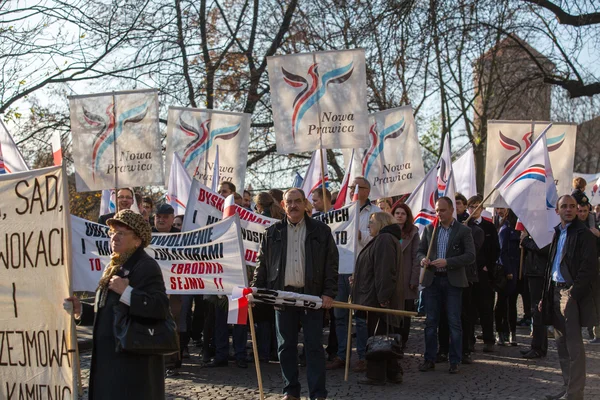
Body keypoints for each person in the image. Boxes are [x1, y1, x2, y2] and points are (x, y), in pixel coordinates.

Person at [64, 210, 169, 399]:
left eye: (121, 233)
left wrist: (128, 292)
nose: (114, 237)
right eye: (112, 232)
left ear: (137, 240)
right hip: (110, 358)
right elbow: (108, 309)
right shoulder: (114, 266)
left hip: (132, 364)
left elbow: (160, 307)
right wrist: (83, 310)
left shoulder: (145, 266)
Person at [252, 188, 338, 400]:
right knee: (285, 347)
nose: (293, 206)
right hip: (283, 297)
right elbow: (262, 263)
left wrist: (328, 292)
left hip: (312, 297)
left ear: (305, 203)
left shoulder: (321, 231)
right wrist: (256, 290)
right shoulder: (272, 233)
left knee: (314, 348)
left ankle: (318, 393)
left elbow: (331, 264)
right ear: (283, 205)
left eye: (297, 201)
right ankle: (290, 391)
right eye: (289, 202)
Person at [540, 195, 599, 400]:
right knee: (561, 345)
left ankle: (575, 394)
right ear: (557, 211)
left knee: (574, 346)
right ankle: (568, 389)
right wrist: (545, 296)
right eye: (564, 206)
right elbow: (552, 267)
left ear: (578, 209)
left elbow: (589, 269)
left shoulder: (584, 234)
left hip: (570, 294)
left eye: (572, 206)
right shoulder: (558, 232)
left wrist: (573, 293)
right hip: (555, 292)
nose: (568, 209)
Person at [417, 197, 475, 374]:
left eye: (442, 210)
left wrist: (448, 262)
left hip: (452, 281)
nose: (438, 214)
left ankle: (455, 360)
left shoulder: (463, 231)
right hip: (432, 280)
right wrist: (423, 260)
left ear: (451, 211)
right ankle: (429, 359)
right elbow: (420, 250)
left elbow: (470, 256)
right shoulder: (429, 229)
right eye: (436, 210)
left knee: (454, 322)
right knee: (430, 322)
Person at [329, 177, 380, 372]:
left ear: (368, 191)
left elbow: (379, 239)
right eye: (352, 187)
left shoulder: (376, 213)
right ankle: (342, 356)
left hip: (362, 270)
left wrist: (360, 236)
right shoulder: (341, 212)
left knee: (360, 317)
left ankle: (363, 357)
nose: (354, 190)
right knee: (339, 315)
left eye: (358, 187)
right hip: (341, 269)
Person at [352, 212, 404, 385]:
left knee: (378, 336)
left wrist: (383, 297)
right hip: (379, 296)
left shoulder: (384, 239)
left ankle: (376, 375)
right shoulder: (386, 239)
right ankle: (392, 372)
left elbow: (385, 270)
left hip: (379, 298)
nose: (368, 226)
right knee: (384, 335)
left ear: (381, 223)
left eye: (371, 222)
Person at [467, 195, 500, 353]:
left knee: (486, 307)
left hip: (484, 272)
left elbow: (495, 249)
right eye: (471, 206)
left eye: (477, 206)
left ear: (482, 208)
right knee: (470, 307)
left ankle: (489, 339)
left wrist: (489, 266)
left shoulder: (489, 227)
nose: (474, 209)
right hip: (469, 272)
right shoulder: (464, 226)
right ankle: (469, 340)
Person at [391, 202, 419, 350]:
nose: (400, 216)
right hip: (391, 278)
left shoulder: (413, 232)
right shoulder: (387, 232)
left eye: (403, 213)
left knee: (405, 313)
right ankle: (393, 339)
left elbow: (416, 257)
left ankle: (403, 340)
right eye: (397, 213)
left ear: (407, 216)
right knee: (392, 311)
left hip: (407, 277)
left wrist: (414, 278)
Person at [520, 229, 550, 358]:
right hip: (533, 272)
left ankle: (538, 347)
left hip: (539, 273)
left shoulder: (547, 230)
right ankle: (537, 345)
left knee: (537, 310)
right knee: (535, 311)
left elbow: (544, 249)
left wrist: (526, 241)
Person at [494, 209, 520, 346]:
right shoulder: (505, 230)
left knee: (512, 304)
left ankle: (512, 331)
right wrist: (508, 270)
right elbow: (502, 252)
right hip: (506, 271)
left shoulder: (519, 230)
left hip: (517, 270)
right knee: (502, 303)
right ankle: (500, 331)